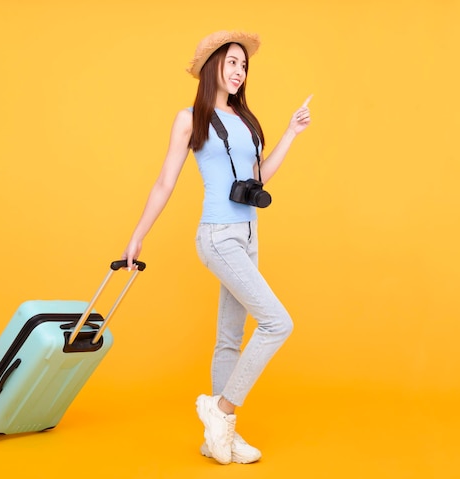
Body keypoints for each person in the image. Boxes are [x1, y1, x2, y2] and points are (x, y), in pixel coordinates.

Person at [122, 30, 312, 464]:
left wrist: (290, 133)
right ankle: (220, 410)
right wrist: (137, 235)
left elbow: (258, 177)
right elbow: (165, 181)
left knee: (230, 337)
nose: (239, 71)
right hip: (218, 236)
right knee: (277, 323)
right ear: (212, 66)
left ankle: (218, 440)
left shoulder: (246, 121)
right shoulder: (190, 118)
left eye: (244, 65)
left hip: (248, 235)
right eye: (231, 62)